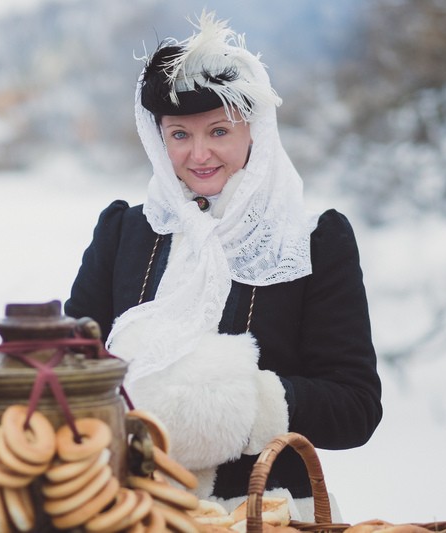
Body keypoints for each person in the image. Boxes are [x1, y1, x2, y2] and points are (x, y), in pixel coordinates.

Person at [65, 11, 382, 520]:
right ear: (157, 138)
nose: (200, 154)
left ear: (255, 130)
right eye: (179, 135)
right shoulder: (124, 232)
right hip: (130, 514)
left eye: (218, 130)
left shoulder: (313, 242)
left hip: (265, 515)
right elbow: (71, 368)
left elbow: (356, 408)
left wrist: (236, 405)